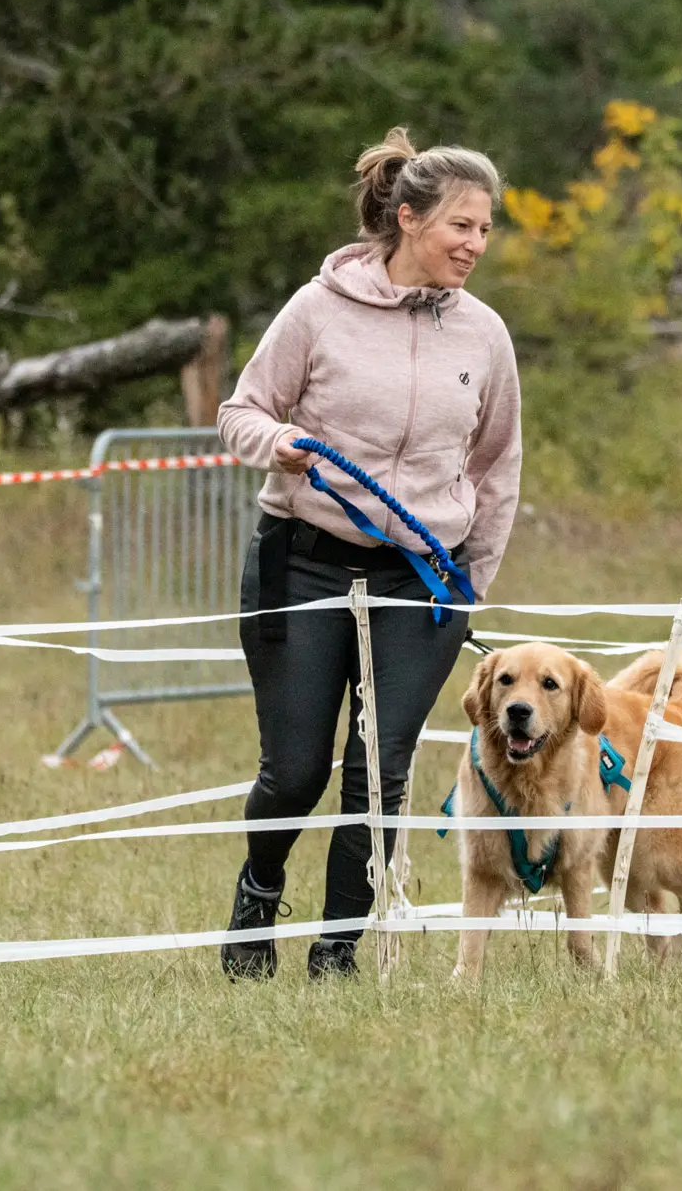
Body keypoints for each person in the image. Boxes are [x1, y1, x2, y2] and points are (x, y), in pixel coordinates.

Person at [214, 127, 522, 981]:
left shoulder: (484, 336)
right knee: (298, 769)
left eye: (486, 229)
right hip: (304, 559)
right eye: (461, 225)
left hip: (420, 580)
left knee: (378, 768)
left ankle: (338, 950)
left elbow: (497, 468)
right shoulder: (317, 310)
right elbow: (239, 409)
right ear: (409, 217)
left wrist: (469, 585)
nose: (475, 244)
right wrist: (276, 440)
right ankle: (257, 895)